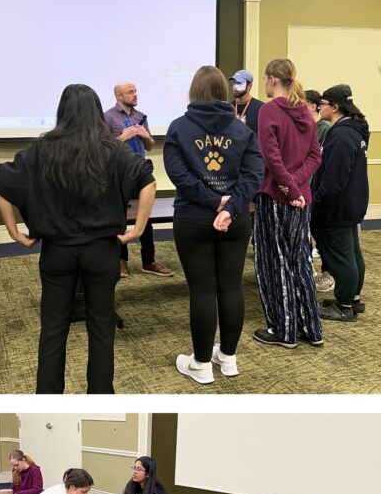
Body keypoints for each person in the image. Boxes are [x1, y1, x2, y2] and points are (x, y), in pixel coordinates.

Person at [0, 84, 156, 394]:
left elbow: (0, 180)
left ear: (62, 112)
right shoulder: (112, 148)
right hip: (102, 252)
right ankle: (100, 395)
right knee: (101, 327)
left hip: (57, 253)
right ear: (96, 112)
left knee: (53, 329)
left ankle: (49, 395)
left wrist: (13, 231)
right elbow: (148, 182)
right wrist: (137, 229)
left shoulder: (42, 148)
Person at [163, 66, 264, 384]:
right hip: (235, 221)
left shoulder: (178, 128)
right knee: (231, 288)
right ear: (224, 92)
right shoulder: (242, 130)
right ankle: (229, 359)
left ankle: (203, 364)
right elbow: (253, 174)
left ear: (193, 92)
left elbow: (180, 176)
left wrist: (213, 203)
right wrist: (230, 206)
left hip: (193, 219)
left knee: (202, 290)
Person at [251, 58, 323, 349]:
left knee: (274, 262)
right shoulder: (304, 111)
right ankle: (312, 328)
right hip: (301, 200)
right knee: (300, 261)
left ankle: (284, 330)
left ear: (271, 79)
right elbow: (314, 157)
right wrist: (297, 186)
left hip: (277, 198)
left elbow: (271, 157)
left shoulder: (269, 110)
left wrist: (288, 187)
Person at [310, 85, 370, 322]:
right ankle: (352, 299)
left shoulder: (342, 135)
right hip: (350, 204)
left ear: (335, 107)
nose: (319, 107)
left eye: (322, 104)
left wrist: (317, 202)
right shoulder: (354, 130)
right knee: (352, 253)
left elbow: (333, 179)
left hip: (337, 206)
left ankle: (344, 306)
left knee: (342, 256)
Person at [104, 82, 173, 278]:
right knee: (120, 218)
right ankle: (121, 261)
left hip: (140, 172)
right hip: (118, 174)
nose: (135, 95)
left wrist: (146, 136)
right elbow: (102, 149)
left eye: (135, 91)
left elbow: (150, 146)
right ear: (118, 96)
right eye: (130, 92)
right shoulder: (107, 117)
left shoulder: (140, 116)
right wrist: (122, 137)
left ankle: (149, 261)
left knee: (146, 216)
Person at [304, 89, 335, 294]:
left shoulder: (322, 128)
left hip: (316, 186)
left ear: (314, 106)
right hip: (307, 186)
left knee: (322, 235)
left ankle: (329, 274)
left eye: (304, 104)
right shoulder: (309, 127)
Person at [229, 70, 264, 136]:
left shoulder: (260, 108)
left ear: (249, 86)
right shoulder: (228, 108)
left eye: (239, 83)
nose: (235, 87)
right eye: (234, 83)